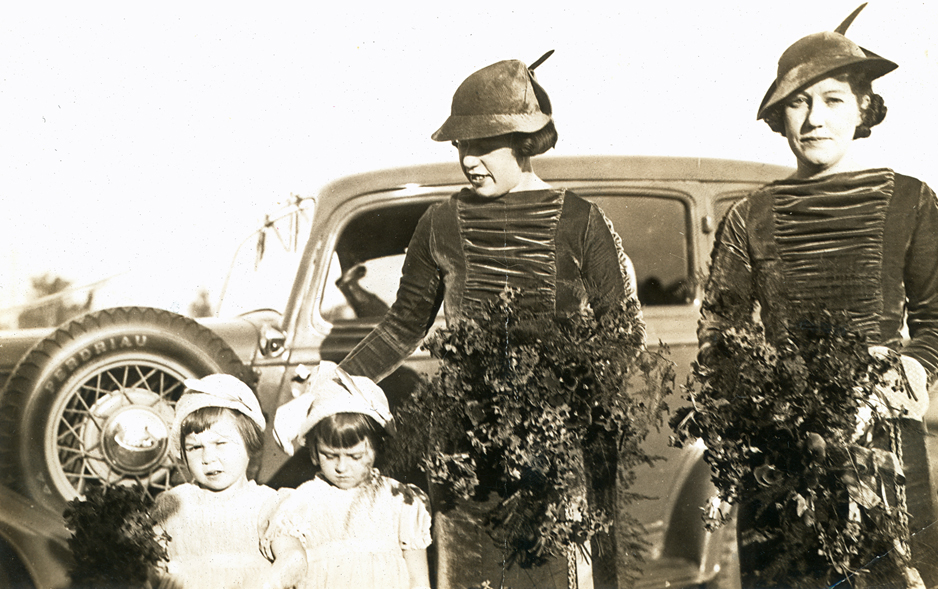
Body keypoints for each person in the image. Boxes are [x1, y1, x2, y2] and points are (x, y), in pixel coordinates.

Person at [275, 53, 639, 588]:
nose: (469, 160)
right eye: (461, 146)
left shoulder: (580, 220)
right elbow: (403, 325)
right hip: (469, 440)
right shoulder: (440, 223)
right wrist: (332, 387)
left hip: (561, 445)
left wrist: (569, 406)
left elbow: (622, 332)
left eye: (484, 145)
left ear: (525, 142)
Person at [698, 6, 938, 589]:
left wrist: (910, 371)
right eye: (799, 102)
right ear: (779, 115)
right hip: (780, 460)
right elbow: (720, 338)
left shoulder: (910, 202)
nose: (815, 118)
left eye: (834, 100)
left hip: (884, 448)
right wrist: (755, 405)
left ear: (865, 107)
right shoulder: (750, 217)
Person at [267, 361, 432, 589]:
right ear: (314, 452)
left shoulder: (399, 501)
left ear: (377, 448)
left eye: (354, 456)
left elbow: (419, 580)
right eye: (329, 455)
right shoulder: (303, 501)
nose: (342, 467)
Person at [152, 374, 306, 589]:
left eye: (220, 443)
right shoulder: (174, 503)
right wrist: (156, 576)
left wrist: (267, 583)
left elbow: (293, 557)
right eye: (195, 448)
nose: (208, 458)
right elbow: (150, 560)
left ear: (249, 443)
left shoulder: (267, 503)